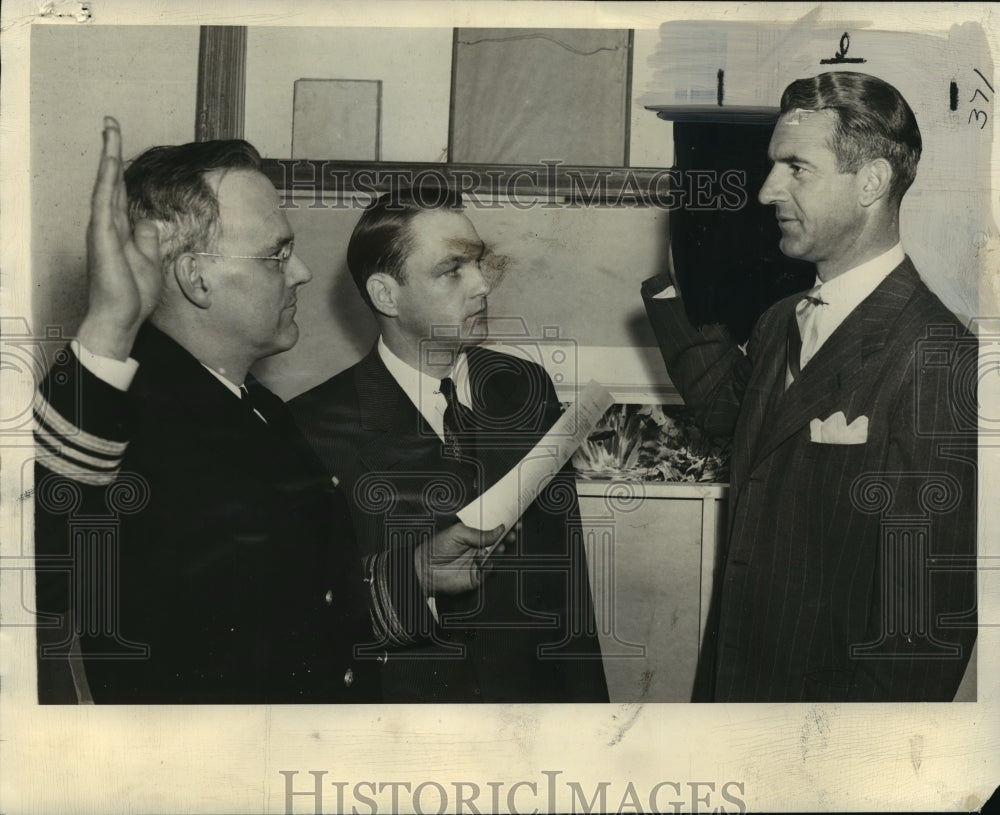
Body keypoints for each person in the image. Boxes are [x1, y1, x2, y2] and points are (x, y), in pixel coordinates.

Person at [33, 119, 505, 704]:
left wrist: (416, 574)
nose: (302, 271)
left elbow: (299, 605)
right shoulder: (128, 414)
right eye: (277, 255)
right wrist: (106, 331)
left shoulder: (258, 406)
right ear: (195, 277)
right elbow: (37, 572)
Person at [642, 72, 977, 702]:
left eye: (797, 168)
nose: (768, 190)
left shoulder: (939, 357)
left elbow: (923, 630)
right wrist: (668, 289)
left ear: (871, 183)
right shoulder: (780, 322)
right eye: (773, 167)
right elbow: (734, 421)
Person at [290, 189, 609, 702]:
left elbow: (568, 587)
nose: (483, 284)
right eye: (452, 269)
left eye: (478, 262)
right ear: (385, 295)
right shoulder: (312, 427)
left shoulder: (525, 388)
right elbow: (309, 619)